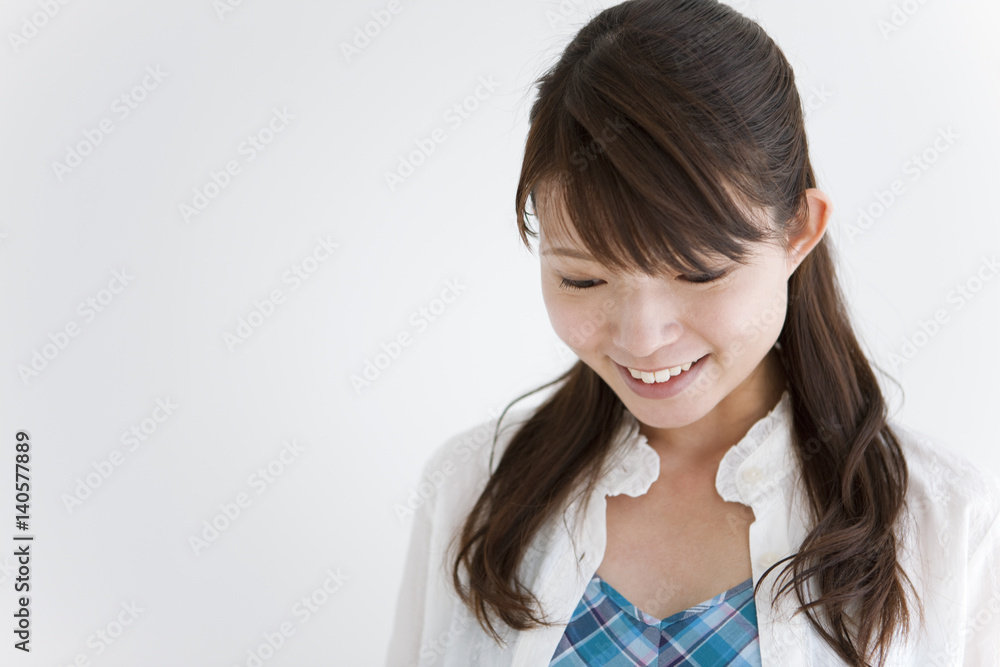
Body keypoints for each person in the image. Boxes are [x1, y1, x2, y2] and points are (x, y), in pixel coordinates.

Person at [386, 0, 1000, 665]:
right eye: (583, 279)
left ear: (798, 232)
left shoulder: (945, 525)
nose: (642, 339)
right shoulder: (473, 492)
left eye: (699, 273)